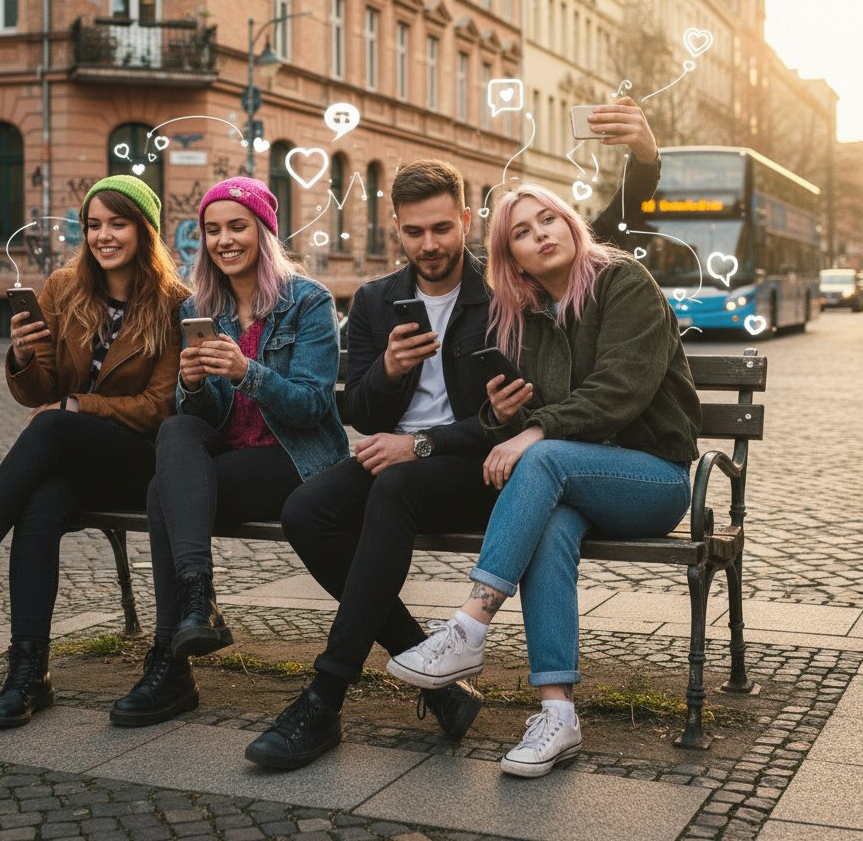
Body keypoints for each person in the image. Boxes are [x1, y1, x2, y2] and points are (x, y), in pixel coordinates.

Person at [245, 99, 663, 769]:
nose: (430, 244)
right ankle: (441, 687)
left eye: (443, 228)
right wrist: (386, 370)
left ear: (465, 222)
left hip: (477, 464)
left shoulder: (506, 289)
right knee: (307, 510)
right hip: (403, 456)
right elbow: (365, 413)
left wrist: (643, 159)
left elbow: (597, 241)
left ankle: (324, 697)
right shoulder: (378, 301)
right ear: (398, 230)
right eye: (415, 232)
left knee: (397, 485)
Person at [385, 183, 701, 778]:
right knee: (550, 525)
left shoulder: (624, 283)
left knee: (545, 458)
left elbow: (619, 391)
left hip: (653, 480)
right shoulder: (524, 316)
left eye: (548, 219)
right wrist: (502, 417)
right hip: (575, 486)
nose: (541, 236)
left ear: (572, 225)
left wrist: (535, 434)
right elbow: (531, 416)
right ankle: (557, 714)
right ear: (513, 257)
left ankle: (469, 626)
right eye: (522, 233)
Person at [0, 175, 186, 728]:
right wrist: (24, 357)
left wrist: (78, 407)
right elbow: (40, 391)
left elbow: (161, 406)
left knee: (51, 428)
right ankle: (28, 672)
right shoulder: (63, 289)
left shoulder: (172, 304)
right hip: (72, 456)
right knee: (40, 503)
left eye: (117, 224)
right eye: (93, 224)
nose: (103, 236)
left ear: (144, 231)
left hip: (141, 462)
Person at [109, 177, 348, 728]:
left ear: (263, 232)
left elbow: (312, 407)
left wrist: (249, 373)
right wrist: (193, 385)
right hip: (232, 454)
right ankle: (197, 602)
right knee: (175, 435)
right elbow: (204, 418)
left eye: (237, 227)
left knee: (162, 491)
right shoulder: (200, 306)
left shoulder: (306, 301)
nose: (224, 240)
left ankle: (171, 657)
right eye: (211, 230)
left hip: (296, 460)